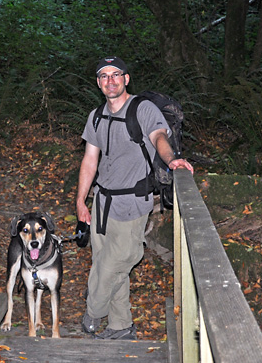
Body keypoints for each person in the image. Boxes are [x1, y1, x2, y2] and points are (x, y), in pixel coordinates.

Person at [76, 56, 193, 340]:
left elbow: (159, 137)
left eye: (116, 74)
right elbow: (90, 160)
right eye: (104, 76)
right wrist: (81, 201)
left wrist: (172, 160)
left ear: (126, 79)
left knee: (115, 263)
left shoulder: (142, 108)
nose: (110, 80)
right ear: (98, 83)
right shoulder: (96, 116)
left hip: (132, 203)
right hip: (102, 201)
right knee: (105, 263)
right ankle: (121, 325)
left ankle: (92, 312)